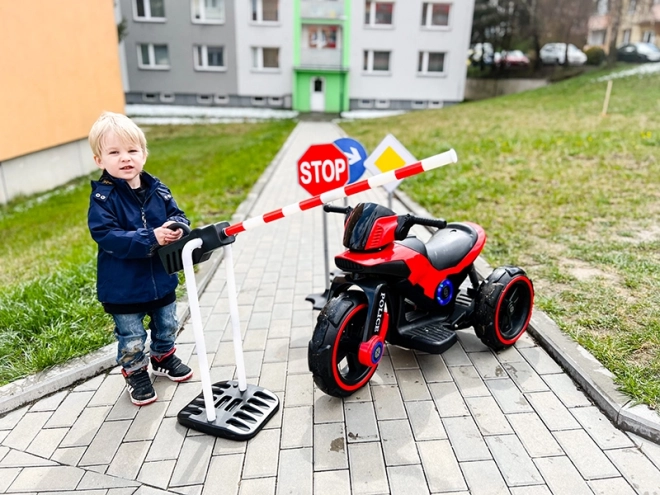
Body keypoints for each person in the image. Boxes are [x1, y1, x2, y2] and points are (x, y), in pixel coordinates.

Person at [87, 111, 193, 406]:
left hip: (161, 278)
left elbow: (177, 215)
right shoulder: (103, 200)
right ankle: (135, 370)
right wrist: (151, 238)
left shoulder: (158, 190)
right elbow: (107, 236)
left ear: (144, 154)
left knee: (167, 324)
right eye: (114, 152)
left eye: (132, 150)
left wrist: (177, 229)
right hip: (123, 287)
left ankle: (163, 356)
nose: (125, 158)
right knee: (131, 336)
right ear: (100, 160)